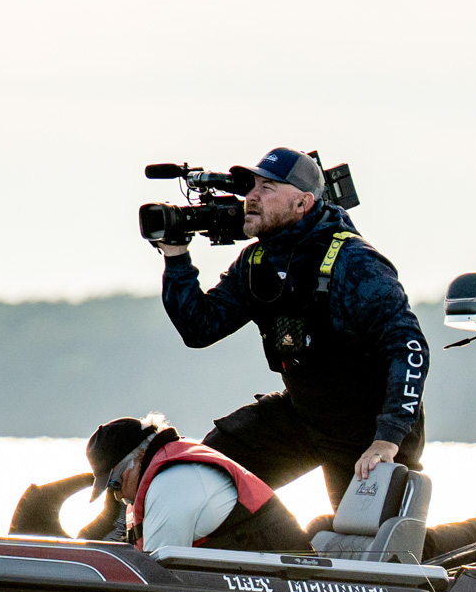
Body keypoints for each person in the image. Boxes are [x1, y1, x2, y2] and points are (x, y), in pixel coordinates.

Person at [156, 147, 428, 508]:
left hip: (370, 429)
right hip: (304, 414)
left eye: (267, 188)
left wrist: (388, 438)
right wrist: (176, 257)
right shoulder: (255, 261)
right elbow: (199, 328)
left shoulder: (355, 261)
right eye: (251, 187)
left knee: (372, 539)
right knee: (203, 472)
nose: (251, 197)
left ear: (302, 203)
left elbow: (409, 348)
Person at [84, 414, 310, 553]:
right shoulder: (165, 475)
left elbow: (153, 577)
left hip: (285, 578)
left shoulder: (172, 485)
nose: (117, 496)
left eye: (115, 483)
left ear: (139, 457)